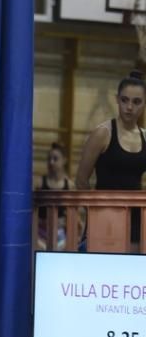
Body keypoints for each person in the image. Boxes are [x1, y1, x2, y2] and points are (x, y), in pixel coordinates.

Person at [75, 72, 146, 245]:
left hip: (135, 219)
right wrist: (94, 211)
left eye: (136, 102)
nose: (129, 107)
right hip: (103, 216)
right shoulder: (103, 133)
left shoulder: (145, 137)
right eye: (125, 100)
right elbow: (81, 179)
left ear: (144, 104)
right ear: (117, 99)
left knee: (131, 270)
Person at [36, 143, 73, 250]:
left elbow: (74, 215)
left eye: (55, 159)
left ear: (64, 160)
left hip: (61, 235)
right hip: (41, 234)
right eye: (49, 159)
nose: (51, 162)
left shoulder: (69, 186)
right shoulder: (39, 183)